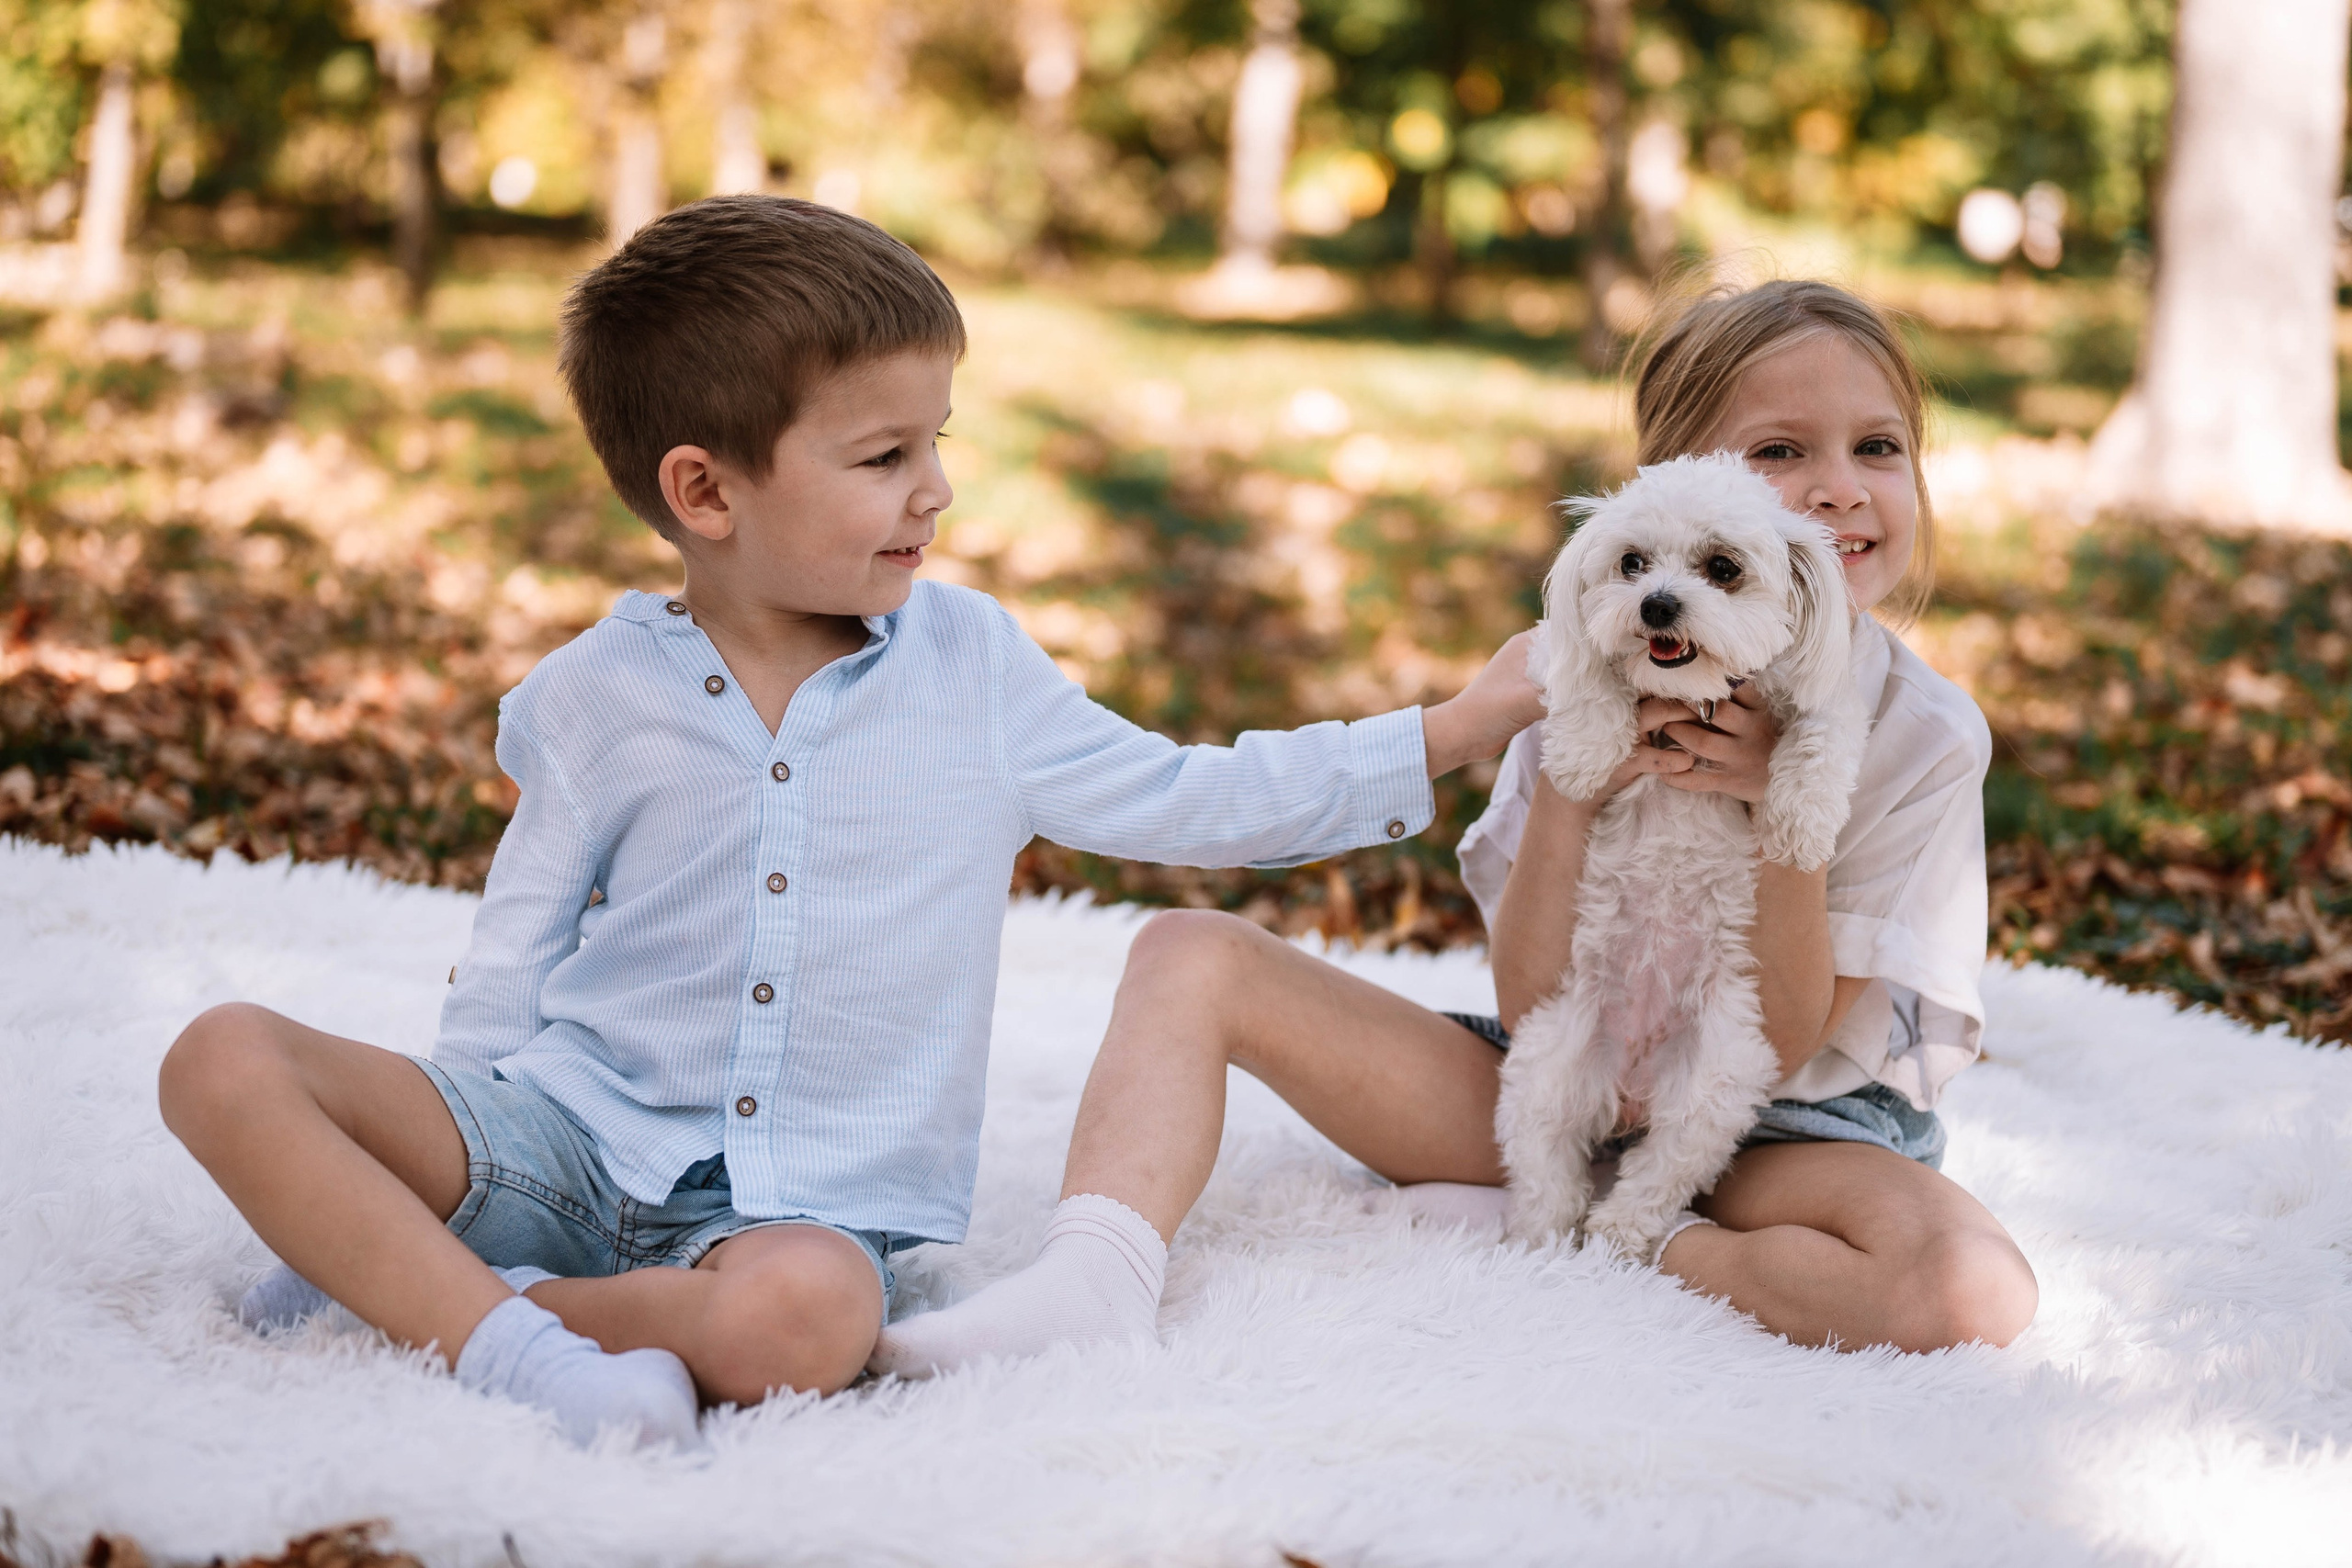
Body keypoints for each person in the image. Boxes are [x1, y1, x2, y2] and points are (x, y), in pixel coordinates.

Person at [155, 195, 1545, 1447]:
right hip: (562, 1132)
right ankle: (488, 1302)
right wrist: (445, 1161)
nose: (935, 486)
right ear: (705, 491)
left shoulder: (974, 671)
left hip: (792, 1210)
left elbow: (1195, 796)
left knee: (811, 1323)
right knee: (221, 1055)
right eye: (884, 454)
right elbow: (513, 947)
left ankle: (474, 1311)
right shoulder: (594, 693)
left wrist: (1449, 727)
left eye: (940, 441)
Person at [872, 278, 2038, 1377]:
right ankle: (1093, 1277)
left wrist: (1779, 807)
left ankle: (1633, 1241)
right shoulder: (1596, 665)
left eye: (1878, 447)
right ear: (1661, 495)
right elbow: (1535, 1012)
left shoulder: (1926, 735)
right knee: (1186, 954)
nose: (1840, 486)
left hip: (1785, 1139)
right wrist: (1579, 788)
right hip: (1562, 1083)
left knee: (1969, 1292)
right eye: (1780, 451)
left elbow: (1778, 1048)